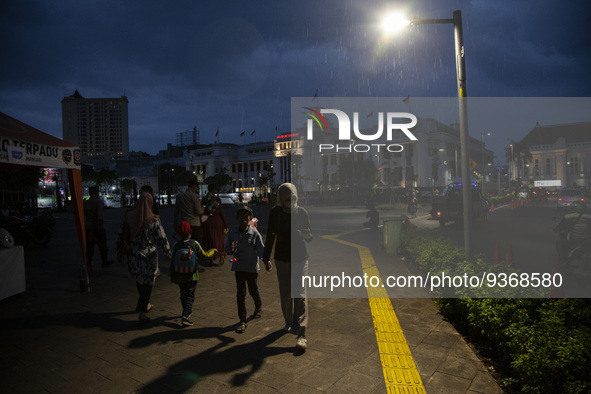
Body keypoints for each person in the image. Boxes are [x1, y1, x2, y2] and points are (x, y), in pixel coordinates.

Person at [263, 183, 312, 351]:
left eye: (293, 198)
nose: (290, 202)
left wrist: (302, 234)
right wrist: (265, 257)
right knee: (285, 293)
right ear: (280, 199)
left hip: (300, 259)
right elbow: (270, 235)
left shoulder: (302, 212)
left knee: (300, 294)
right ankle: (288, 321)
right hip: (281, 259)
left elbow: (310, 237)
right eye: (287, 199)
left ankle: (301, 334)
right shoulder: (275, 213)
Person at [122, 193, 171, 324]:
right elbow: (162, 238)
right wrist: (168, 253)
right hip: (149, 255)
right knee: (149, 282)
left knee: (139, 280)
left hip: (134, 254)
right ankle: (142, 311)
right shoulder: (153, 220)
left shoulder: (129, 216)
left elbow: (122, 234)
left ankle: (145, 304)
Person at [227, 205, 268, 333]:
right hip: (239, 267)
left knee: (253, 290)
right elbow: (228, 249)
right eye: (241, 216)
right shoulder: (233, 233)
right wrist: (231, 250)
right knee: (241, 293)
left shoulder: (254, 233)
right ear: (237, 218)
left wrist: (267, 262)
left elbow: (261, 250)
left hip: (251, 268)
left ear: (250, 218)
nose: (244, 218)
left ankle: (258, 306)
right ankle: (242, 319)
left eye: (246, 216)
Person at [170, 221, 217, 326]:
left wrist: (173, 276)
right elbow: (204, 255)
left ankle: (185, 310)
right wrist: (212, 251)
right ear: (190, 232)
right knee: (190, 295)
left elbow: (172, 260)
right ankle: (186, 315)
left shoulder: (176, 245)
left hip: (179, 274)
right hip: (192, 275)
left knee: (183, 294)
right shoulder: (194, 244)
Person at [174, 179, 205, 267]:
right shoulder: (194, 196)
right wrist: (203, 208)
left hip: (184, 224)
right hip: (195, 224)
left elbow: (176, 212)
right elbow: (198, 211)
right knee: (196, 245)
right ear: (194, 186)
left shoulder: (179, 196)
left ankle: (186, 263)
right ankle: (195, 264)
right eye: (196, 187)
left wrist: (175, 224)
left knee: (185, 245)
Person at [84, 186, 113, 271]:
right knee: (102, 246)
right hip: (97, 227)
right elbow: (99, 217)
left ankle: (88, 264)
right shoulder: (98, 202)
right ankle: (104, 261)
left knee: (89, 247)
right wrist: (100, 228)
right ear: (96, 192)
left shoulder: (85, 202)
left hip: (88, 227)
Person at [201, 184, 229, 266]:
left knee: (210, 239)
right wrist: (225, 225)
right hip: (217, 222)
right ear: (214, 190)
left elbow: (202, 211)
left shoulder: (205, 199)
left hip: (208, 222)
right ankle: (221, 253)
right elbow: (221, 213)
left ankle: (211, 258)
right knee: (219, 239)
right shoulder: (216, 199)